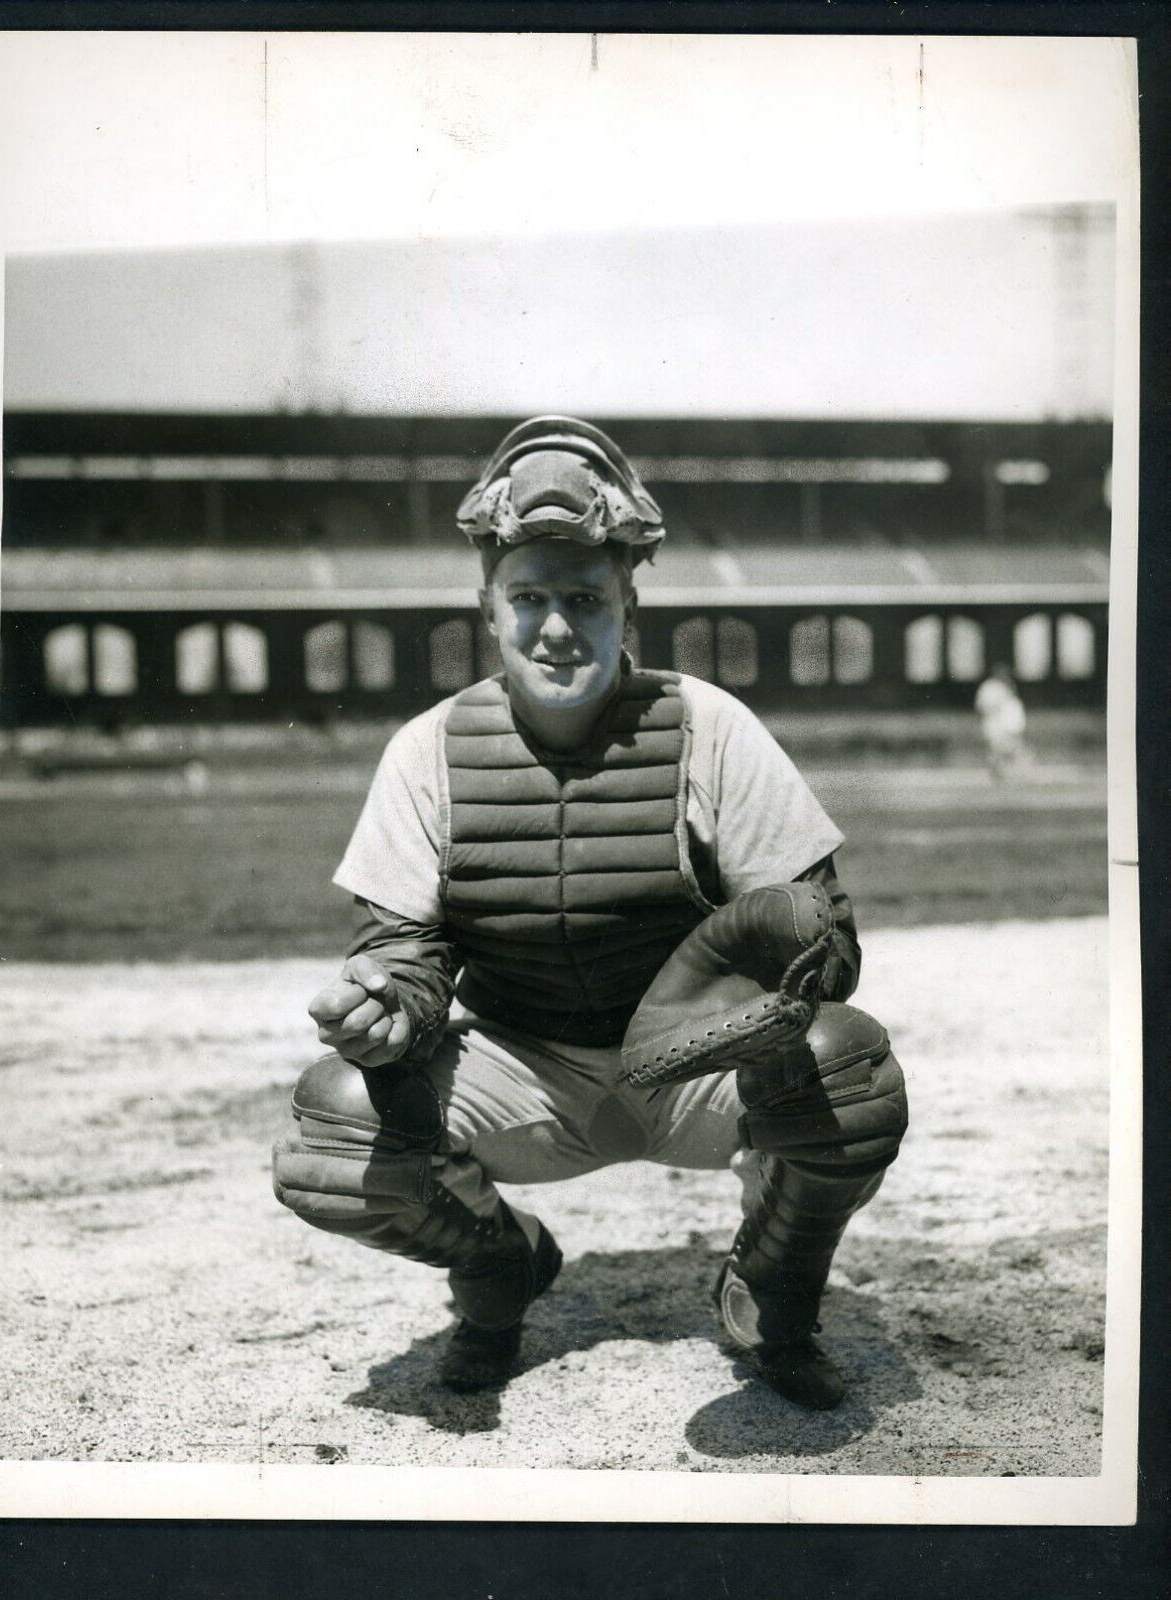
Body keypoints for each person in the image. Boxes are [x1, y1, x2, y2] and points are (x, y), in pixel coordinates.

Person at [273, 418, 908, 1410]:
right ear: (490, 610)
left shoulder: (708, 725)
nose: (556, 626)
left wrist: (800, 952)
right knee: (334, 1134)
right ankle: (499, 1269)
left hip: (697, 1066)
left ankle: (772, 1288)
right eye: (529, 598)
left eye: (584, 598)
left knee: (849, 1068)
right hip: (528, 1069)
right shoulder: (427, 750)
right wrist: (387, 1003)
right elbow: (401, 948)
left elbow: (827, 928)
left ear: (628, 607)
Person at [974, 662, 1028, 781]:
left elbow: (1012, 708)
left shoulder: (1007, 687)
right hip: (993, 724)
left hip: (1006, 724)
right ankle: (997, 775)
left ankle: (1010, 774)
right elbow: (982, 706)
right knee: (996, 750)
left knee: (1010, 750)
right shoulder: (988, 687)